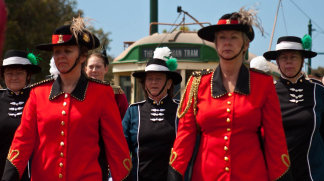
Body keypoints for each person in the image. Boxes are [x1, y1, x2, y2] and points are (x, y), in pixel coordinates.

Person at [1, 17, 132, 181]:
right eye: (57, 52)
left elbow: (116, 148)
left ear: (82, 56)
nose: (61, 56)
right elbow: (22, 143)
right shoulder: (38, 93)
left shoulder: (102, 93)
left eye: (68, 51)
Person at [167, 8, 291, 181]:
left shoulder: (263, 84)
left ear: (245, 44)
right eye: (222, 38)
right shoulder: (197, 84)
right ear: (215, 43)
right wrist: (175, 173)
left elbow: (275, 140)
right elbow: (185, 137)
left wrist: (282, 177)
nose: (227, 43)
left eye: (234, 37)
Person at [263, 36, 324, 180]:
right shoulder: (269, 92)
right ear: (277, 62)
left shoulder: (318, 91)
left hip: (315, 172)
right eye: (284, 57)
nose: (289, 61)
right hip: (281, 172)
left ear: (302, 61)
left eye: (294, 57)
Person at [122, 47, 181, 180]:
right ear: (144, 84)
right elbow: (121, 149)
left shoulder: (181, 110)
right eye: (150, 79)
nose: (153, 82)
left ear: (169, 83)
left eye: (159, 79)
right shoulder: (134, 111)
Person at [0, 50, 41, 180]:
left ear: (28, 75)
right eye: (9, 73)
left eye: (19, 73)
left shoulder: (38, 98)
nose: (14, 77)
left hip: (31, 172)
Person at [86, 50, 129, 119]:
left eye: (98, 67)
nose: (94, 70)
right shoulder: (78, 91)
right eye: (91, 67)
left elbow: (125, 119)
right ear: (86, 69)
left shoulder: (116, 93)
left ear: (106, 69)